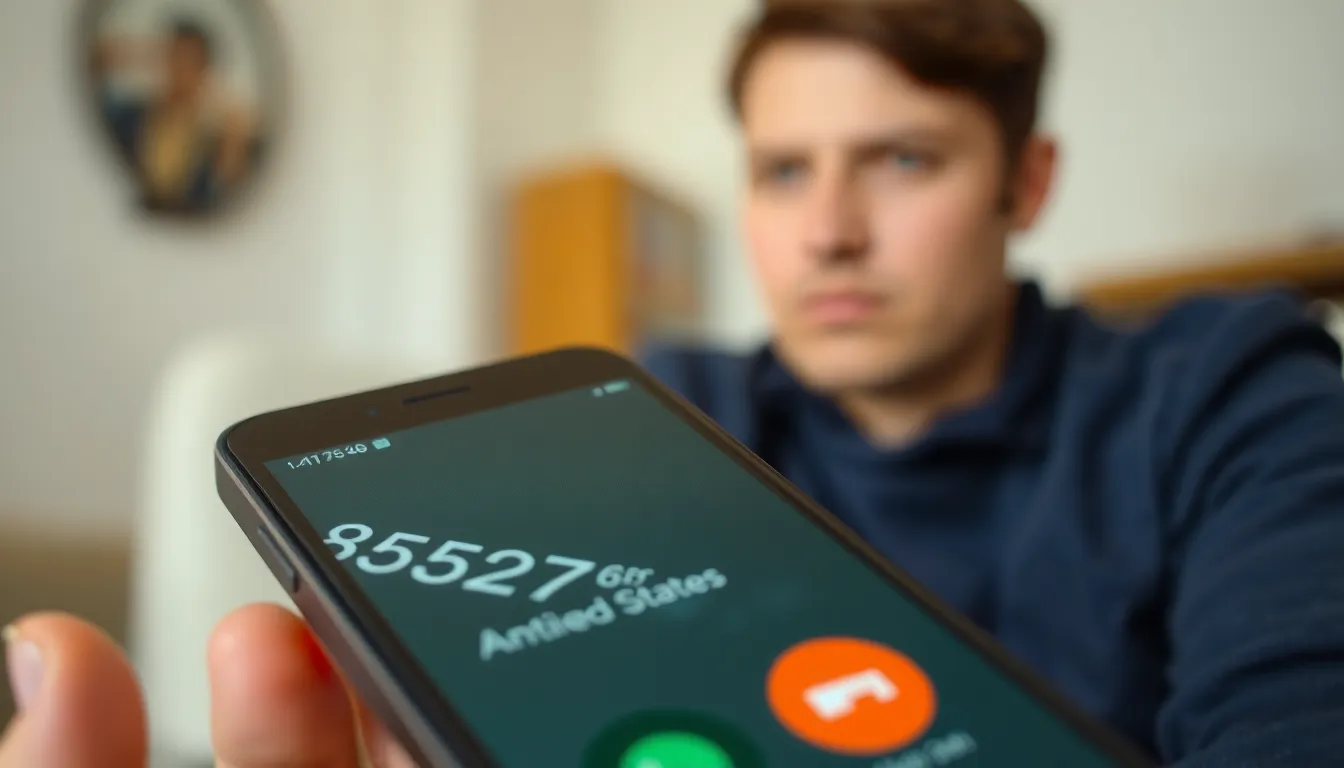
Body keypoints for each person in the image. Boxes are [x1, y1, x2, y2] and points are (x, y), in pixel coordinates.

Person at [6, 0, 1344, 764]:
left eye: (903, 160)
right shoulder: (667, 417)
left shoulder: (1227, 385)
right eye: (782, 171)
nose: (827, 233)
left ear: (1027, 181)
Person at [94, 19, 255, 214]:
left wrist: (233, 144)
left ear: (203, 69)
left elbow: (226, 196)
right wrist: (142, 54)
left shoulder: (213, 135)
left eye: (189, 62)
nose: (179, 70)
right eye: (174, 57)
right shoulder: (130, 116)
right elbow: (96, 63)